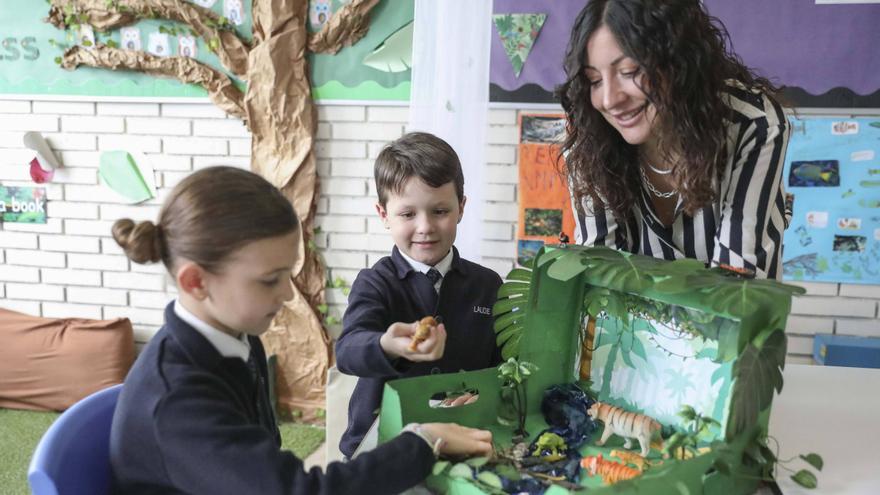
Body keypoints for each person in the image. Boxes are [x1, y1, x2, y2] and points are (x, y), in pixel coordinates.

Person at [108, 166, 493, 495]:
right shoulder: (178, 400)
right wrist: (423, 442)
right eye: (269, 280)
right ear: (196, 282)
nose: (287, 294)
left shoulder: (236, 340)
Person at [558, 0, 791, 279]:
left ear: (680, 61)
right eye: (594, 80)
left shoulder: (751, 123)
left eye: (630, 71)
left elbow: (737, 280)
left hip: (731, 318)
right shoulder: (589, 142)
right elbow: (597, 277)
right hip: (627, 322)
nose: (610, 99)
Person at [335, 132, 503, 458]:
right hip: (382, 446)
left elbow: (500, 368)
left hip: (463, 439)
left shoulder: (488, 285)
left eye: (439, 211)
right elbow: (348, 351)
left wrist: (485, 392)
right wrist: (388, 345)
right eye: (408, 214)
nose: (425, 227)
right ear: (384, 215)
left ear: (461, 208)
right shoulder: (375, 284)